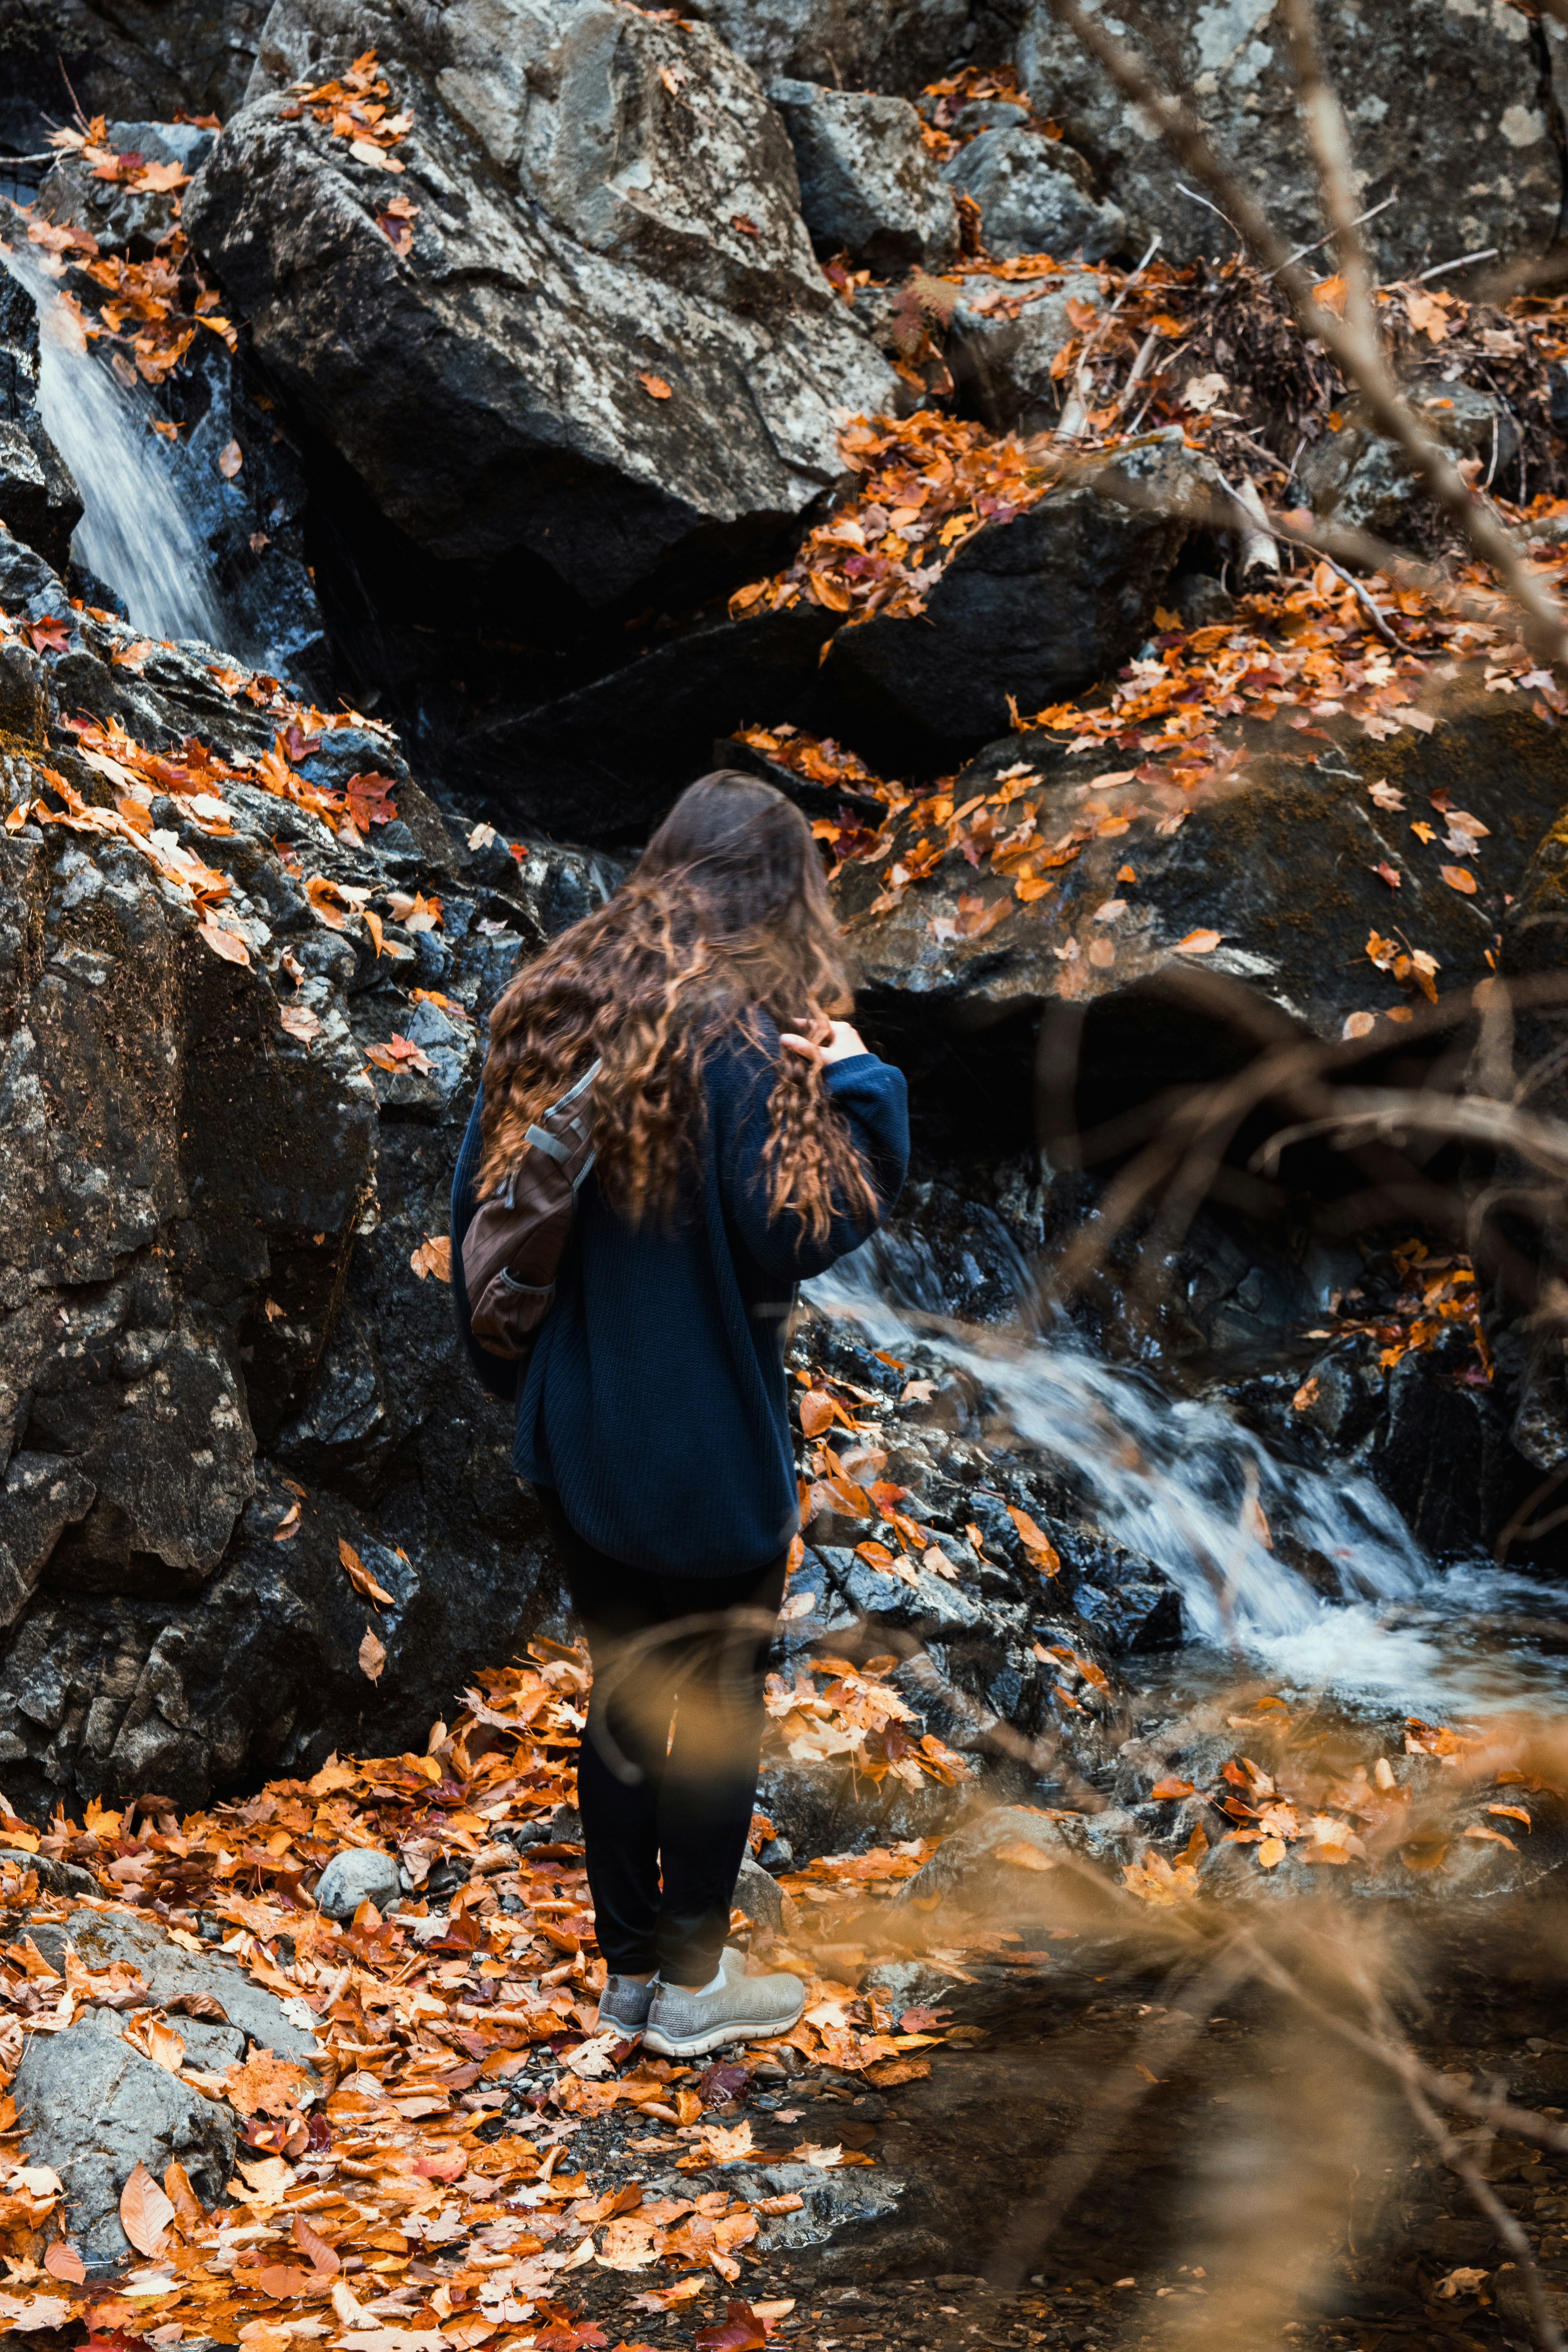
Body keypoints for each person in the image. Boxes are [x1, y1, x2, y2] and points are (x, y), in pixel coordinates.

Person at [450, 770, 909, 2058]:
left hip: (580, 1440)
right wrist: (868, 1087)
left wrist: (537, 1395)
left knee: (621, 1696)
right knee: (711, 1707)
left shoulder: (546, 1007)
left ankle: (630, 1980)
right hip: (707, 1456)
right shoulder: (748, 1043)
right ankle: (695, 1989)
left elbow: (476, 1234)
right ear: (778, 898)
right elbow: (801, 1229)